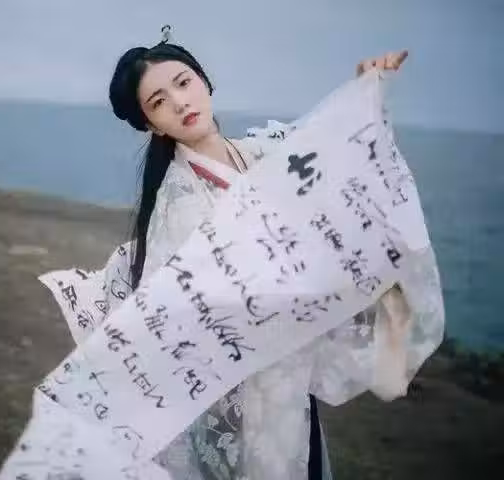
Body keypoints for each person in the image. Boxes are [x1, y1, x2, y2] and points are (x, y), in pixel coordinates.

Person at [97, 34, 442, 480]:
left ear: (204, 81)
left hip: (289, 372)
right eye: (160, 102)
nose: (180, 102)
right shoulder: (180, 206)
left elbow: (337, 161)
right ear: (153, 125)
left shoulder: (262, 151)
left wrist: (364, 98)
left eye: (183, 83)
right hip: (243, 387)